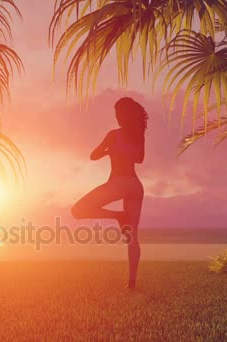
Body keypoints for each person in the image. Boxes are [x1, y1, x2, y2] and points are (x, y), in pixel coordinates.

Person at [71, 97, 147, 289]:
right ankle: (131, 283)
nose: (117, 117)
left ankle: (117, 216)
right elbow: (139, 159)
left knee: (78, 210)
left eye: (118, 114)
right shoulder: (138, 134)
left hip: (118, 182)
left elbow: (93, 156)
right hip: (135, 186)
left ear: (123, 115)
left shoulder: (113, 135)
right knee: (133, 237)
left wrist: (109, 150)